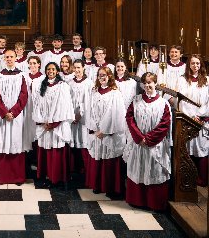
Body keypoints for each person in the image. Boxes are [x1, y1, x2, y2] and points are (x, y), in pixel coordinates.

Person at [124, 72, 171, 211]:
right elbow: (130, 119)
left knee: (154, 170)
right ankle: (137, 200)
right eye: (145, 83)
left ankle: (154, 202)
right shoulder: (136, 100)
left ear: (155, 83)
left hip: (155, 145)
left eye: (150, 82)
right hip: (139, 144)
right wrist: (139, 137)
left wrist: (149, 139)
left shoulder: (163, 103)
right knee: (138, 168)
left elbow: (164, 124)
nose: (148, 85)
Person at [0, 50, 28, 185]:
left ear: (16, 58)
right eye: (7, 57)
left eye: (11, 57)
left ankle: (17, 177)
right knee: (3, 142)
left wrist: (14, 112)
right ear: (3, 59)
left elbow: (24, 96)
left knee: (16, 142)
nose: (9, 59)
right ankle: (2, 177)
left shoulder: (22, 76)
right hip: (3, 117)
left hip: (17, 117)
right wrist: (5, 113)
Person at [85, 66, 126, 198]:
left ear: (109, 77)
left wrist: (105, 130)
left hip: (109, 133)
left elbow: (117, 114)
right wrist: (95, 129)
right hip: (97, 131)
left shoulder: (115, 93)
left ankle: (110, 187)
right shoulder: (94, 92)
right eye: (100, 75)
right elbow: (89, 111)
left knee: (109, 158)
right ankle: (97, 185)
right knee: (97, 156)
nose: (102, 78)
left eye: (104, 75)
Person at [32, 62, 73, 187]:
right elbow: (37, 105)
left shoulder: (63, 86)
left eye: (53, 69)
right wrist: (42, 121)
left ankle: (57, 178)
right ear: (45, 71)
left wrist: (53, 123)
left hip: (57, 126)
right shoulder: (42, 85)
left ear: (57, 71)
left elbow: (64, 107)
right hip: (45, 126)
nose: (51, 71)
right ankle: (46, 176)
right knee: (45, 151)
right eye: (48, 69)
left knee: (56, 150)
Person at [177, 55, 209, 186]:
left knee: (201, 149)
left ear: (201, 65)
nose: (195, 66)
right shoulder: (182, 80)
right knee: (188, 150)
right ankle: (188, 179)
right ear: (188, 65)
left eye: (197, 63)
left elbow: (207, 101)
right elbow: (181, 100)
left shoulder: (207, 80)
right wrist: (190, 117)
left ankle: (202, 180)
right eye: (193, 63)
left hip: (202, 121)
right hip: (187, 120)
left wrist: (200, 116)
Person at [68, 59, 93, 176]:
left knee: (83, 142)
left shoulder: (89, 83)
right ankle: (74, 169)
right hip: (72, 117)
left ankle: (85, 171)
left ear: (83, 68)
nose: (77, 70)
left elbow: (89, 102)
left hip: (84, 119)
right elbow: (67, 100)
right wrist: (72, 115)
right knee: (73, 142)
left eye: (79, 68)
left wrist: (80, 114)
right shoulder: (69, 83)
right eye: (75, 68)